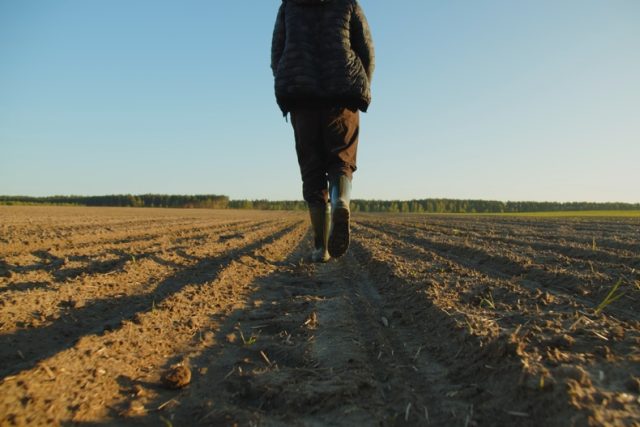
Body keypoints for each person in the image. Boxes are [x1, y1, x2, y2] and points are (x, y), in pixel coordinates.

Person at [271, 0, 374, 262]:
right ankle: (341, 203)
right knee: (341, 160)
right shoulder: (347, 3)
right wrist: (361, 82)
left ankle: (321, 248)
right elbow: (367, 50)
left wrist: (289, 82)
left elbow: (277, 54)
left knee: (312, 169)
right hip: (342, 97)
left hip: (302, 98)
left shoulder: (289, 7)